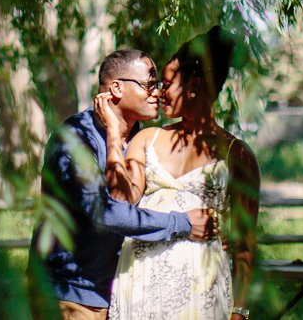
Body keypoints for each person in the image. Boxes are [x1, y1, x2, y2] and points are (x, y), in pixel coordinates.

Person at [30, 48, 218, 319]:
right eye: (148, 85)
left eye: (159, 85)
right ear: (116, 88)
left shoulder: (141, 140)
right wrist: (183, 224)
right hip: (70, 295)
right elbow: (105, 211)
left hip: (120, 295)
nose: (157, 93)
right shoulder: (74, 139)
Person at [98, 26, 260, 320]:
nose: (159, 92)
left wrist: (239, 312)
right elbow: (120, 201)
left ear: (194, 84)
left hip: (202, 291)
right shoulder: (147, 139)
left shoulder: (237, 155)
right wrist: (113, 133)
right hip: (141, 285)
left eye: (168, 83)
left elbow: (244, 245)